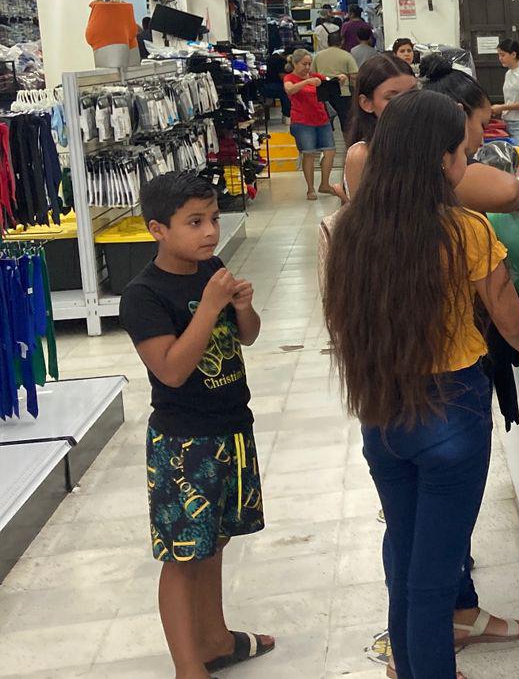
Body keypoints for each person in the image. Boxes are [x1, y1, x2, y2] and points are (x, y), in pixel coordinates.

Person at [323, 90, 519, 679]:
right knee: (433, 581)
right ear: (445, 161)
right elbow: (508, 317)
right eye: (462, 153)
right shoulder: (466, 231)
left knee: (404, 561)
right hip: (451, 411)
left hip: (381, 412)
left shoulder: (348, 231)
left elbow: (340, 322)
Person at [118, 171, 274, 679]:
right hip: (183, 444)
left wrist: (243, 309)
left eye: (212, 219)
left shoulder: (215, 268)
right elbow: (171, 368)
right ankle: (189, 666)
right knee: (184, 555)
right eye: (194, 222)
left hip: (231, 428)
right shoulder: (143, 295)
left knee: (218, 540)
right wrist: (209, 306)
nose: (209, 232)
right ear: (157, 229)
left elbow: (245, 338)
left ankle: (216, 639)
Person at [420, 58, 519, 213]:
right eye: (482, 125)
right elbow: (509, 191)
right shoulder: (445, 165)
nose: (482, 138)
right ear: (461, 114)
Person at [341, 53, 418, 198]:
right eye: (392, 98)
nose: (408, 104)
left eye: (413, 93)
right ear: (366, 103)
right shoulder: (363, 154)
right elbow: (366, 217)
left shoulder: (426, 139)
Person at [283, 49, 342, 201]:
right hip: (302, 122)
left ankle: (325, 183)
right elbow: (289, 90)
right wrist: (306, 82)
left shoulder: (316, 77)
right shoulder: (290, 78)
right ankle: (310, 188)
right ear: (295, 64)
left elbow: (328, 81)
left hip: (322, 119)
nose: (307, 67)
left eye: (309, 64)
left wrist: (339, 79)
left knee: (330, 151)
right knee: (308, 153)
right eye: (304, 64)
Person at [489, 39, 519, 150]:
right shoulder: (508, 73)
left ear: (514, 54)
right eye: (499, 55)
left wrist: (502, 107)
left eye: (503, 55)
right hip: (507, 121)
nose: (500, 58)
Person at [313, 39, 359, 136]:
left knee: (325, 121)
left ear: (327, 42)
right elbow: (354, 74)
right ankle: (348, 145)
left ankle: (328, 145)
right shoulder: (346, 55)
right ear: (341, 42)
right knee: (346, 123)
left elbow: (313, 73)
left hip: (323, 92)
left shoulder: (318, 55)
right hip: (343, 92)